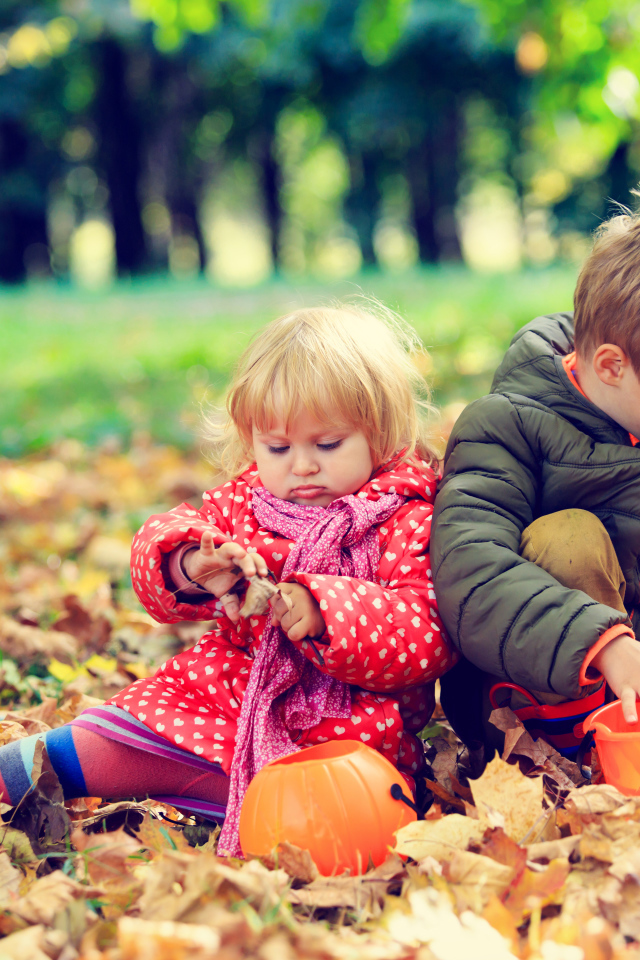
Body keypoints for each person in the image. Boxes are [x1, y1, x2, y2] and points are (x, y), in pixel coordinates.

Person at [0, 304, 455, 857]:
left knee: (325, 811)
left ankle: (221, 795)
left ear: (379, 434)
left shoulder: (406, 519)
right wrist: (191, 563)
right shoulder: (243, 503)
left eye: (327, 444)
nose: (303, 466)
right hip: (219, 699)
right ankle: (46, 766)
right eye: (279, 447)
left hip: (345, 734)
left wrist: (324, 609)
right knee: (117, 735)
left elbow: (424, 632)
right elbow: (156, 548)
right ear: (251, 439)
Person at [432, 209, 640, 772]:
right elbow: (470, 574)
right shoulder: (505, 428)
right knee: (567, 536)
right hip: (541, 689)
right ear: (613, 365)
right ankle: (569, 752)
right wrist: (603, 642)